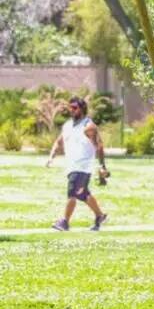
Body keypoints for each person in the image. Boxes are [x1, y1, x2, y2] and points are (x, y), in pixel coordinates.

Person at [45, 96, 108, 232]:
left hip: (83, 167)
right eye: (70, 108)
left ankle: (64, 222)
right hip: (71, 166)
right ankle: (100, 215)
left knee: (72, 192)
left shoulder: (88, 126)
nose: (71, 110)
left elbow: (99, 146)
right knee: (82, 194)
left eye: (74, 108)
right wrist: (51, 157)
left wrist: (102, 166)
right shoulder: (67, 125)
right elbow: (59, 141)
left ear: (82, 109)